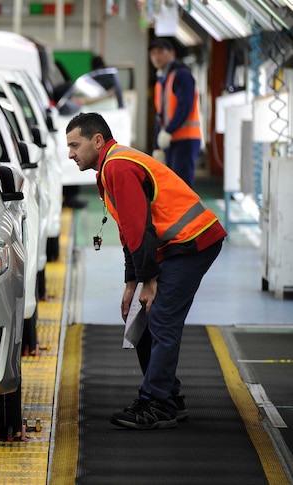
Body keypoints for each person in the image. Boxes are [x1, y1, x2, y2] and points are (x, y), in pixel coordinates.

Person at [65, 112, 226, 430]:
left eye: (74, 145)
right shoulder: (111, 166)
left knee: (162, 319)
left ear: (97, 141)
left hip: (192, 242)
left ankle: (159, 403)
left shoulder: (118, 166)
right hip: (174, 246)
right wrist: (132, 283)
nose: (70, 154)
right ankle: (167, 396)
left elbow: (140, 230)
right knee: (144, 321)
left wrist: (148, 281)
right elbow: (129, 231)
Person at [149, 37, 202, 187]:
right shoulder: (161, 81)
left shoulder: (182, 75)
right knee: (172, 187)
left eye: (160, 52)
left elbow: (185, 106)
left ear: (171, 53)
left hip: (185, 140)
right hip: (171, 141)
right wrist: (156, 147)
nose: (156, 57)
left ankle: (188, 212)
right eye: (153, 54)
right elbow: (160, 116)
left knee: (182, 187)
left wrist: (169, 130)